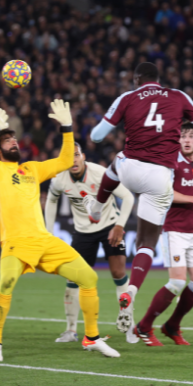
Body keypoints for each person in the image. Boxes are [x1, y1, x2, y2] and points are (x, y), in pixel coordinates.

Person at [0, 101, 119, 361]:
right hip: (15, 243)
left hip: (43, 241)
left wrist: (66, 126)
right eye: (7, 141)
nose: (14, 142)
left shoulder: (31, 169)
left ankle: (91, 338)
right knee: (5, 283)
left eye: (14, 138)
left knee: (89, 278)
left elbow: (64, 159)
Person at [85, 62, 193, 333]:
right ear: (158, 79)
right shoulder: (179, 96)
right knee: (147, 242)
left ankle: (96, 208)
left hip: (131, 167)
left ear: (136, 80)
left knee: (116, 162)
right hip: (161, 177)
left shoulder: (127, 98)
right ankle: (131, 289)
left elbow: (96, 136)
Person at [44, 142, 135, 344]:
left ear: (83, 156)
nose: (73, 160)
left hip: (110, 226)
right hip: (83, 232)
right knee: (73, 279)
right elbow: (51, 200)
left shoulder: (100, 173)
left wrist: (120, 225)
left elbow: (127, 197)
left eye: (76, 155)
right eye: (68, 156)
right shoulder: (60, 179)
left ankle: (129, 324)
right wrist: (48, 232)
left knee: (118, 273)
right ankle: (70, 330)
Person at [134, 123, 193, 346]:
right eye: (183, 136)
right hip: (172, 229)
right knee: (177, 282)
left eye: (191, 136)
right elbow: (165, 192)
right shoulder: (170, 162)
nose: (186, 140)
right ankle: (144, 327)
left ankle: (171, 326)